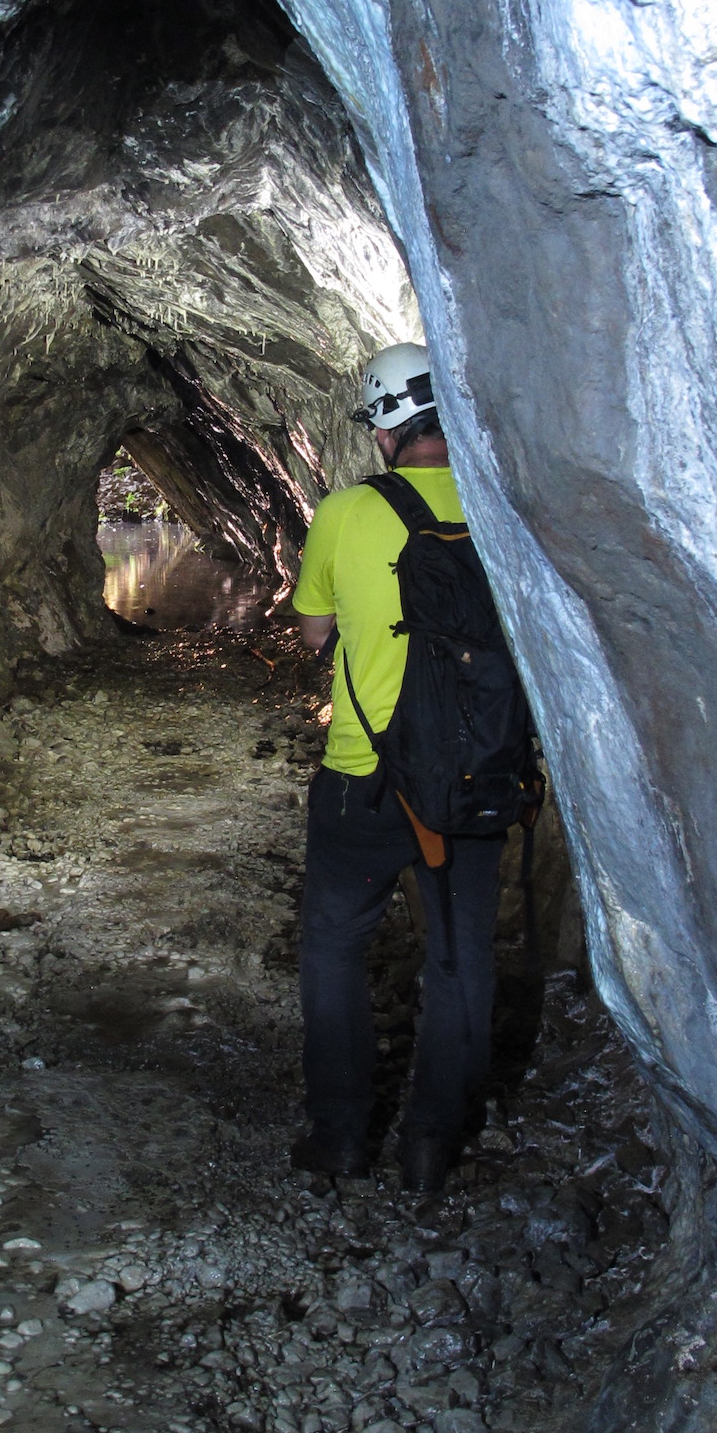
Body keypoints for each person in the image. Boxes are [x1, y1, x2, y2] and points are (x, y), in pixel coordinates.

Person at [288, 342, 523, 1192]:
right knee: (461, 958)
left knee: (335, 948)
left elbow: (315, 634)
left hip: (367, 777)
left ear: (384, 430)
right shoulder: (505, 508)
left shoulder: (345, 515)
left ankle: (342, 1134)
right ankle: (430, 1144)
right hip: (473, 777)